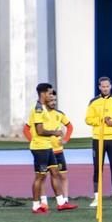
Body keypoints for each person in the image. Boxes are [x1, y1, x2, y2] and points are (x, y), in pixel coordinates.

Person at [26, 83, 77, 214]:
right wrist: (54, 132)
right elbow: (39, 130)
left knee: (55, 172)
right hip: (40, 147)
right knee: (40, 177)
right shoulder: (38, 109)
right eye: (49, 93)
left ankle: (61, 203)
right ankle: (36, 205)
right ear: (43, 94)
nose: (51, 95)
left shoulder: (43, 108)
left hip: (47, 146)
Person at [85, 77, 112, 208]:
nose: (105, 88)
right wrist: (101, 120)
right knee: (97, 169)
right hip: (98, 139)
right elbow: (88, 119)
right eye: (103, 86)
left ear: (110, 86)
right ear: (99, 87)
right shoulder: (94, 102)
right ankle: (97, 198)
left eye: (107, 86)